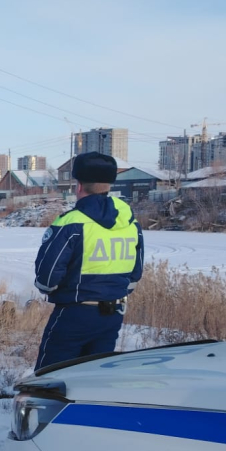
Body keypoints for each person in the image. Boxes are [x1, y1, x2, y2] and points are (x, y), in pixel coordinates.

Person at [33, 152, 144, 371]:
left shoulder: (71, 223)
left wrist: (49, 288)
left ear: (79, 186)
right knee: (95, 375)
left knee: (52, 375)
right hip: (113, 313)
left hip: (74, 312)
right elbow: (135, 273)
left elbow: (47, 277)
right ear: (109, 185)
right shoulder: (130, 222)